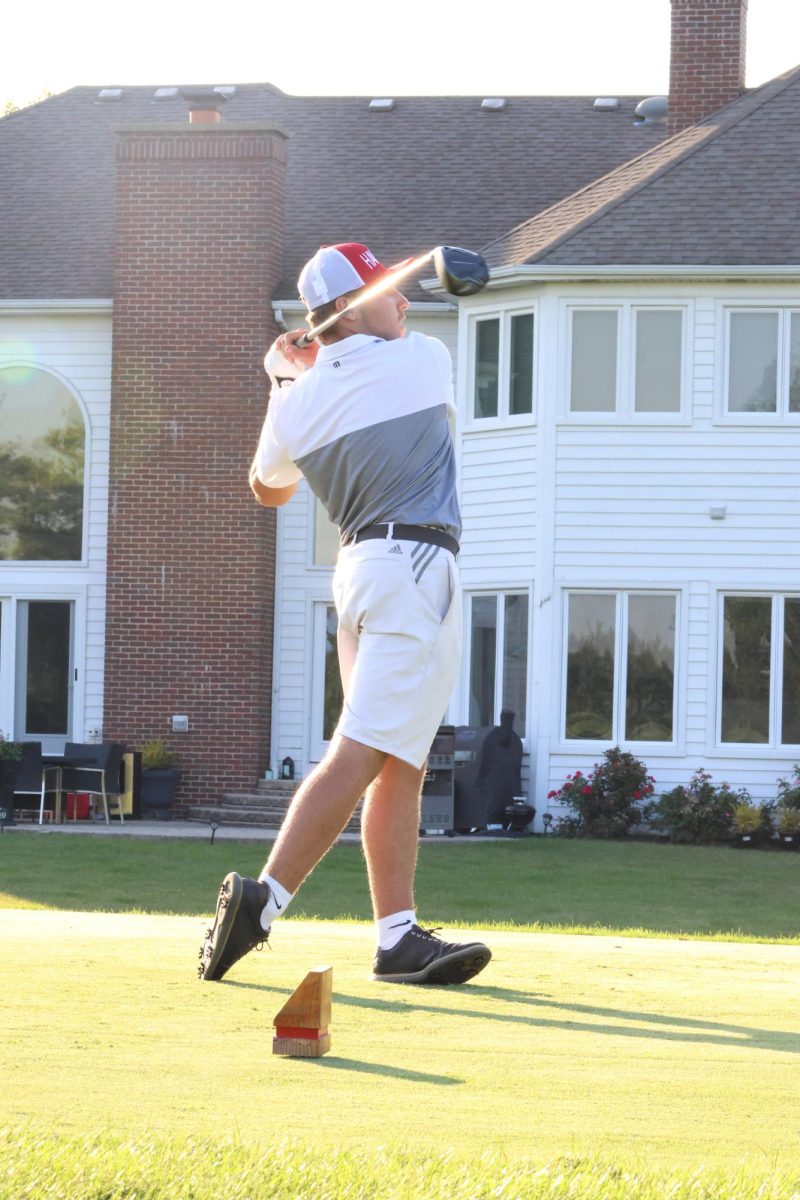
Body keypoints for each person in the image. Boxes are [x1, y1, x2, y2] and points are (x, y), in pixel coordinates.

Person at [198, 242, 492, 986]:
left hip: (358, 574)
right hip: (416, 573)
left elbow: (269, 488)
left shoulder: (296, 400)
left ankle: (397, 938)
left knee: (400, 758)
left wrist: (282, 378)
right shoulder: (422, 359)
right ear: (356, 308)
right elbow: (389, 350)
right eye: (391, 291)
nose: (407, 301)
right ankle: (260, 904)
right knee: (363, 751)